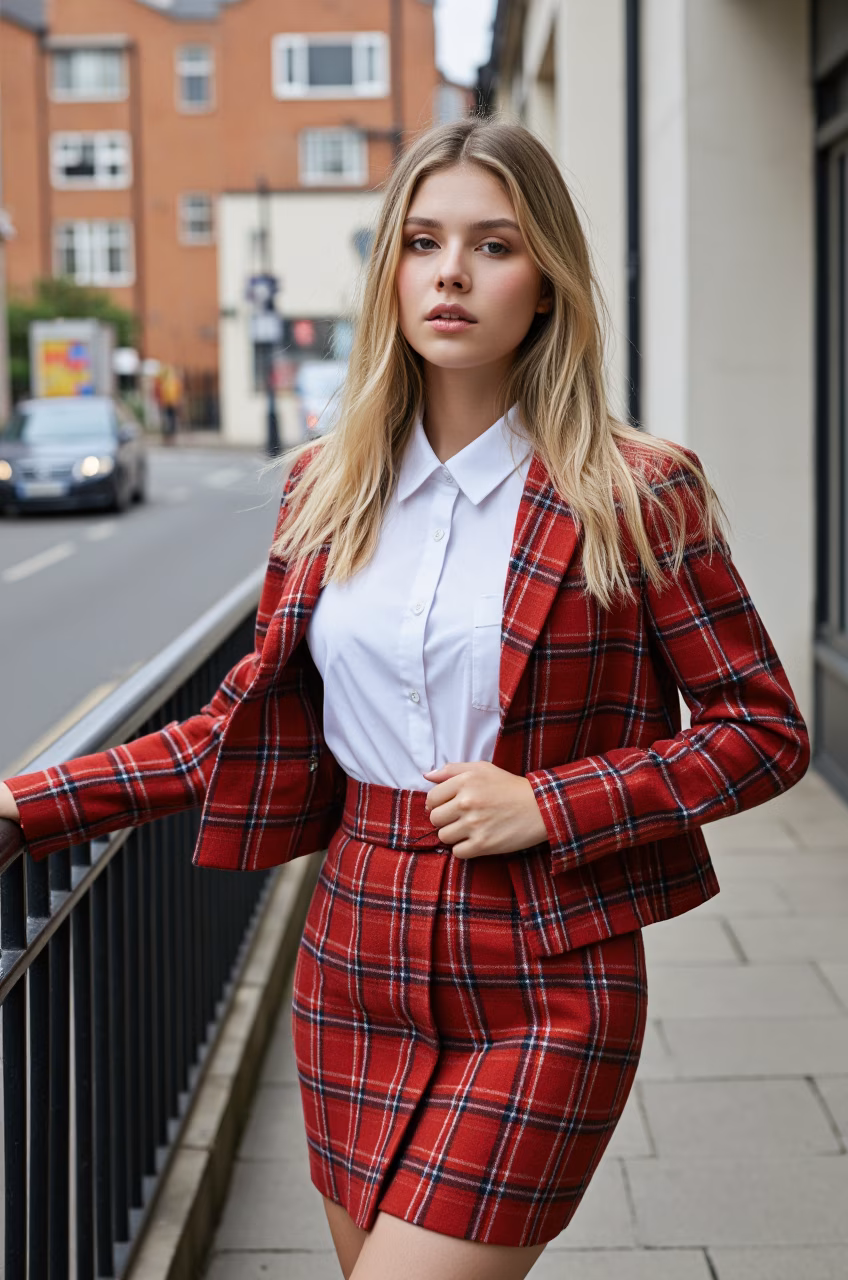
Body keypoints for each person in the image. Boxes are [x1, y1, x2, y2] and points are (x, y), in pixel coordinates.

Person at [0, 119, 810, 1279]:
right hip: (353, 955)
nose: (449, 272)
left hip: (546, 971)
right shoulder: (325, 491)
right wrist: (28, 802)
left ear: (546, 284)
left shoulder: (634, 491)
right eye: (422, 241)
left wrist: (553, 801)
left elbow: (762, 731)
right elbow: (232, 727)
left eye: (492, 245)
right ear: (389, 272)